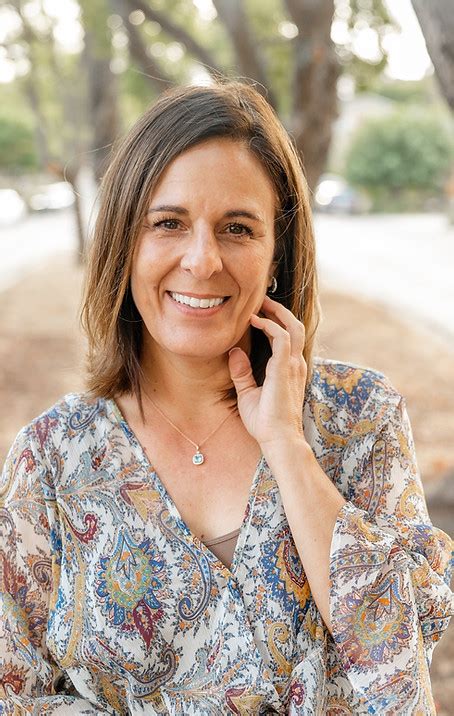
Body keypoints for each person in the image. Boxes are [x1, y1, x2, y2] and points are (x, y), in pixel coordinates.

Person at [0, 81, 452, 716]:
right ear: (125, 244)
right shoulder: (50, 459)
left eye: (237, 228)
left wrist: (286, 445)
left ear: (276, 256)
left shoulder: (361, 419)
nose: (203, 260)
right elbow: (14, 695)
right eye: (169, 223)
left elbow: (397, 666)